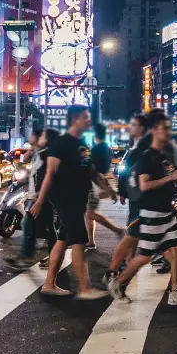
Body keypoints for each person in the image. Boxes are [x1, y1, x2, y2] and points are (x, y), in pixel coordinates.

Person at [111, 111, 177, 306]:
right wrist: (170, 178)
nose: (168, 132)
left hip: (167, 212)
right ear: (154, 131)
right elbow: (144, 185)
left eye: (169, 128)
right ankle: (118, 282)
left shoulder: (164, 156)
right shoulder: (147, 157)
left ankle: (175, 293)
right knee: (144, 256)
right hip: (153, 213)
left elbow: (171, 181)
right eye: (164, 129)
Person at [30, 105, 108, 299]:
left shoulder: (83, 143)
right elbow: (50, 173)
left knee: (63, 240)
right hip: (65, 199)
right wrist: (40, 201)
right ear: (75, 119)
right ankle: (84, 288)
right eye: (85, 117)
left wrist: (108, 188)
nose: (89, 120)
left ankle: (49, 284)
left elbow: (89, 170)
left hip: (78, 199)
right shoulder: (61, 143)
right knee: (80, 241)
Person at [105, 114, 149, 282]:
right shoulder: (139, 147)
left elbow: (126, 170)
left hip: (142, 196)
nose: (131, 127)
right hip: (140, 197)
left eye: (134, 125)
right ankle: (113, 269)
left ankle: (127, 262)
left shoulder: (141, 146)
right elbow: (126, 170)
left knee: (136, 233)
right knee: (133, 233)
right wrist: (123, 191)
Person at [84, 122, 123, 251]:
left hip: (94, 183)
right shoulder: (106, 148)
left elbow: (93, 170)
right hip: (100, 180)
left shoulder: (96, 149)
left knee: (90, 213)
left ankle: (116, 230)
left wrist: (106, 188)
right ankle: (90, 241)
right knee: (89, 213)